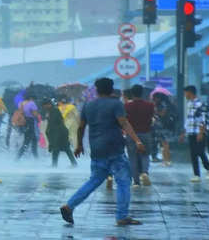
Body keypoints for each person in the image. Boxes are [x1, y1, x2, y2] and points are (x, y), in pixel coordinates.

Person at [60, 78, 145, 227]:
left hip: (97, 149)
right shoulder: (116, 104)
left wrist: (79, 145)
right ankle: (122, 216)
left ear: (97, 90)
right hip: (114, 149)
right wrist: (137, 140)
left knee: (94, 180)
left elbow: (81, 127)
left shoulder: (88, 105)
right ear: (111, 90)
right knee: (123, 181)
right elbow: (124, 122)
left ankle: (69, 205)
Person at [125, 85, 154, 187]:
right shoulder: (150, 106)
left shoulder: (127, 106)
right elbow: (152, 119)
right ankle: (145, 172)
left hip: (131, 135)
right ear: (142, 93)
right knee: (145, 155)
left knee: (132, 157)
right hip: (146, 133)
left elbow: (125, 121)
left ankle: (136, 181)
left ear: (132, 94)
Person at [181, 86, 209, 182]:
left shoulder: (200, 104)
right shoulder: (189, 103)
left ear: (190, 92)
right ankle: (196, 174)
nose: (185, 95)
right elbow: (189, 119)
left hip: (199, 132)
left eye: (185, 93)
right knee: (193, 153)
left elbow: (203, 119)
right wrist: (184, 132)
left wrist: (201, 132)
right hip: (191, 131)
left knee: (200, 151)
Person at [42, 98, 76, 167]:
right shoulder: (51, 111)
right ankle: (73, 163)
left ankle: (55, 165)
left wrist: (48, 130)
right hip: (59, 132)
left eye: (44, 105)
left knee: (58, 148)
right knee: (64, 148)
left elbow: (53, 122)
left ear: (49, 104)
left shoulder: (54, 110)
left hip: (60, 132)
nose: (43, 107)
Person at [152, 93, 175, 166]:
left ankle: (167, 160)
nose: (154, 100)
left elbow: (162, 114)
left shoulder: (163, 104)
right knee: (163, 144)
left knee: (165, 144)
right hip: (161, 126)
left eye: (155, 98)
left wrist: (155, 111)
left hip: (163, 126)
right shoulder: (163, 103)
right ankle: (165, 160)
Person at [16, 93, 40, 160]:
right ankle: (18, 157)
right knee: (27, 141)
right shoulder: (31, 103)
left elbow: (21, 112)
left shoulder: (20, 103)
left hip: (23, 122)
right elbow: (35, 114)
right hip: (30, 121)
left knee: (33, 139)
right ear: (31, 98)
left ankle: (36, 157)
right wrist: (37, 117)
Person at [57, 95, 80, 165]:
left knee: (67, 140)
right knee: (73, 137)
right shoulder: (72, 107)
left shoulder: (58, 108)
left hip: (63, 126)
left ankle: (68, 151)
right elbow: (77, 116)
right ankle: (76, 152)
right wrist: (80, 124)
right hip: (73, 124)